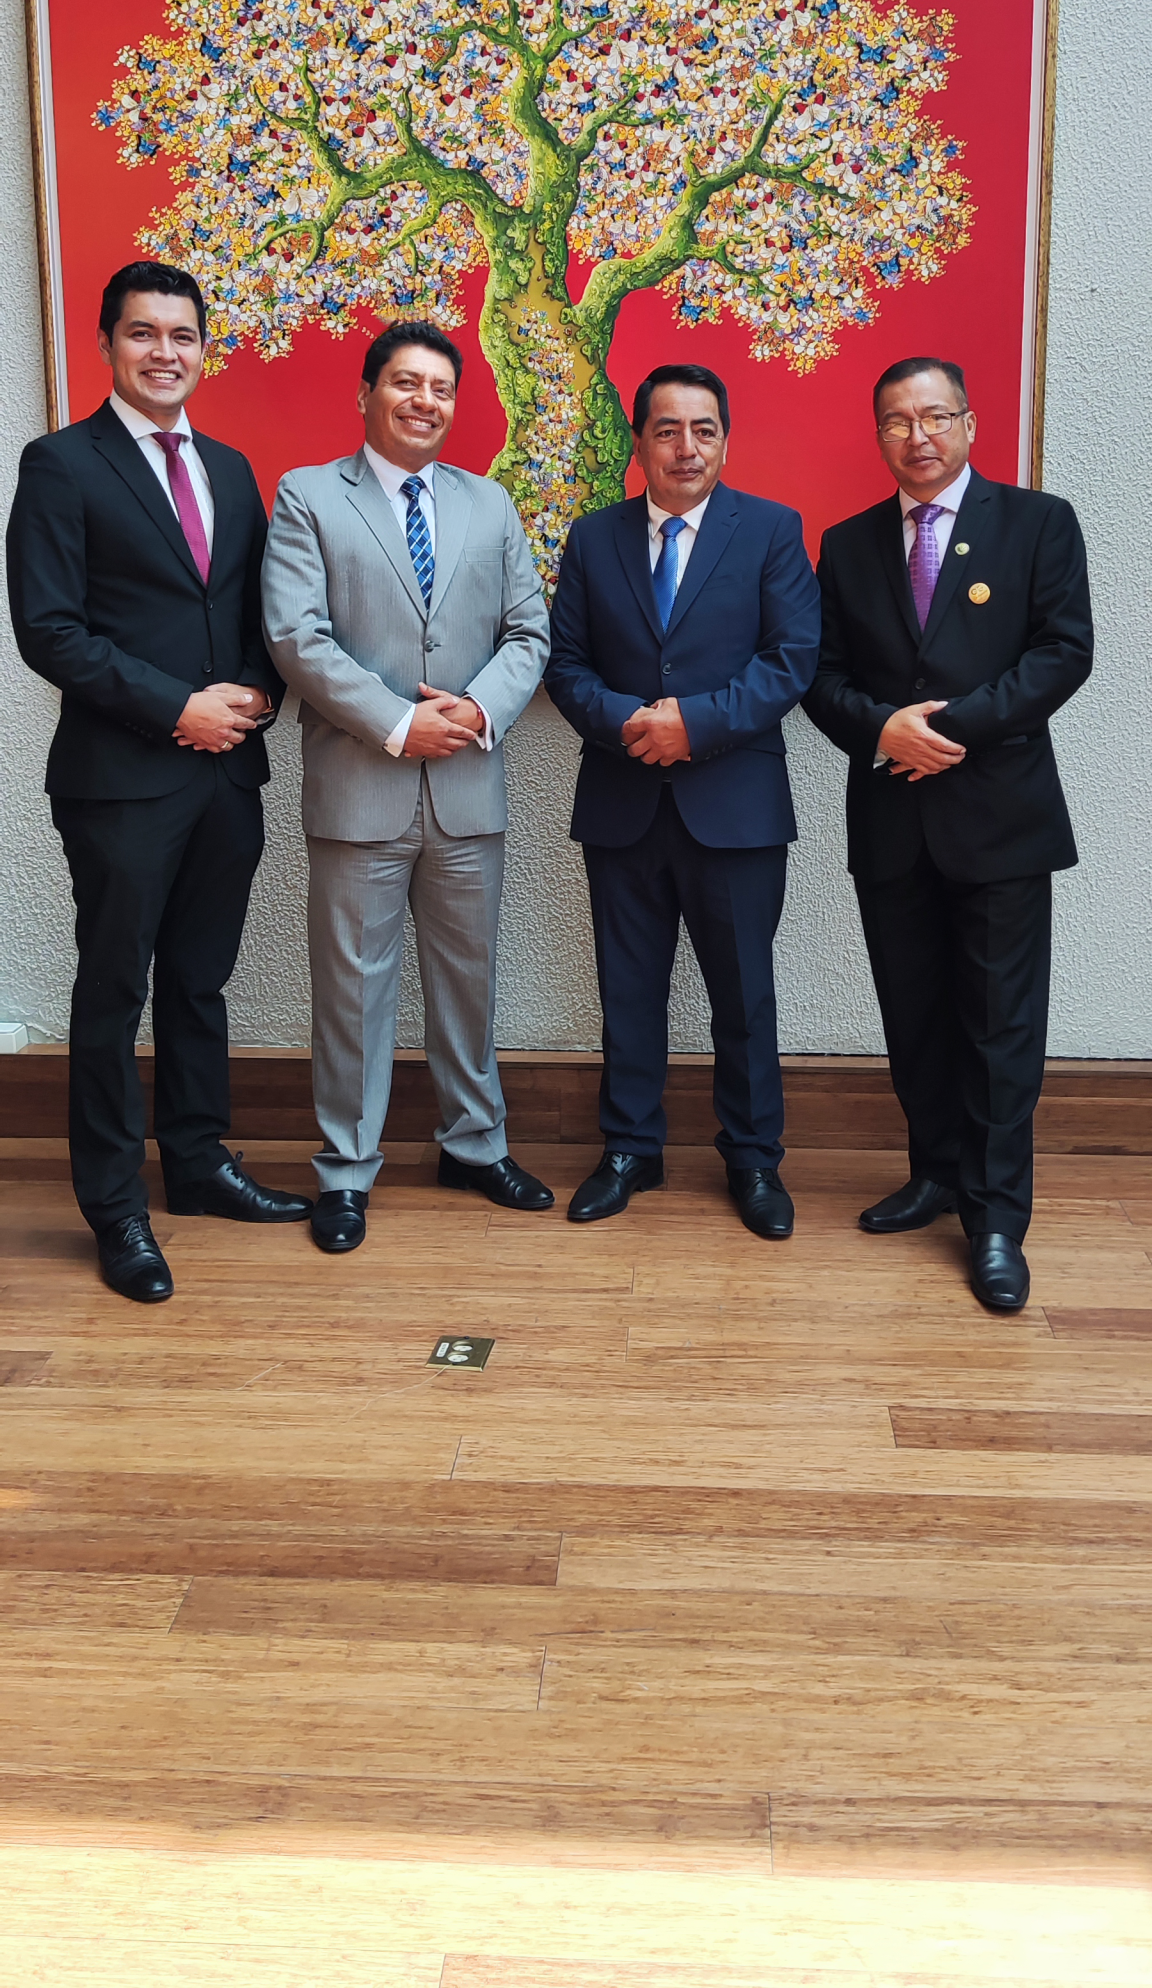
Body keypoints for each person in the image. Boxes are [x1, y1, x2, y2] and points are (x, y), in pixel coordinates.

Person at [6, 261, 309, 1305]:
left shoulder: (229, 467)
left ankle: (197, 1160)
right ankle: (114, 1207)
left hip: (228, 773)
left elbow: (259, 611)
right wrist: (177, 705)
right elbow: (49, 630)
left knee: (198, 980)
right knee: (113, 990)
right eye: (143, 333)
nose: (164, 352)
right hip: (124, 778)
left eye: (182, 335)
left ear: (203, 349)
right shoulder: (60, 463)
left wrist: (258, 693)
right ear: (107, 344)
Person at [803, 354, 1093, 1313]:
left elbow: (1063, 652)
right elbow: (822, 675)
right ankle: (933, 1172)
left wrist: (946, 730)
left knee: (1001, 1027)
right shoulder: (847, 544)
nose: (917, 436)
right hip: (893, 819)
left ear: (969, 424)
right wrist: (882, 730)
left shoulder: (1038, 523)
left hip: (1000, 821)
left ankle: (997, 1218)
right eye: (897, 421)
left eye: (934, 417)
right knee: (915, 1014)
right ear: (878, 435)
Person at [260, 318, 551, 1253]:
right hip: (359, 791)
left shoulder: (489, 504)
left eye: (442, 389)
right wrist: (397, 722)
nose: (425, 401)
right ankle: (346, 1170)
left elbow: (529, 632)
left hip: (468, 789)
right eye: (405, 383)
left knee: (470, 984)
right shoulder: (309, 496)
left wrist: (476, 708)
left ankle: (475, 1146)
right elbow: (297, 636)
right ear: (367, 394)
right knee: (352, 993)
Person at [544, 363, 821, 1235]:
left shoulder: (771, 530)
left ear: (726, 441)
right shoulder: (594, 538)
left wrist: (692, 726)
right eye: (667, 430)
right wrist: (632, 722)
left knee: (743, 995)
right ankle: (631, 1148)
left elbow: (790, 661)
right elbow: (566, 665)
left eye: (704, 430)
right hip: (622, 800)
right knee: (627, 990)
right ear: (639, 442)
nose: (686, 447)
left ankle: (753, 1159)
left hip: (735, 807)